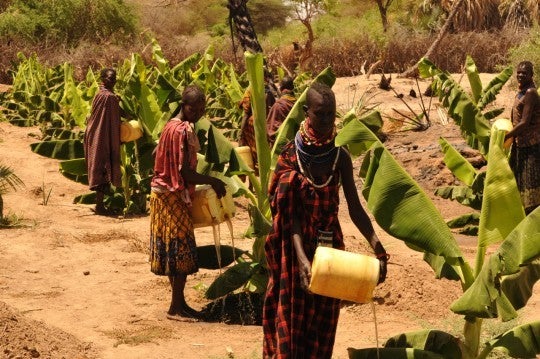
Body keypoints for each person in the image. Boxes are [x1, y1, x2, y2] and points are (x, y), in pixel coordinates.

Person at [262, 82, 389, 358]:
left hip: (331, 249)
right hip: (295, 250)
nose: (327, 121)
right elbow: (290, 216)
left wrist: (377, 244)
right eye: (320, 114)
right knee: (292, 320)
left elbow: (355, 208)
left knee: (323, 323)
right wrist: (302, 259)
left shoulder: (339, 156)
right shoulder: (290, 157)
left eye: (331, 114)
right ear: (307, 112)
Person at [149, 84, 226, 321]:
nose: (199, 114)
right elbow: (185, 172)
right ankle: (175, 308)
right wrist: (213, 180)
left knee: (173, 251)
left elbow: (155, 154)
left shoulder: (170, 125)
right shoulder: (182, 131)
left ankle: (180, 303)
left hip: (161, 194)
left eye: (202, 109)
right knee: (182, 251)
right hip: (172, 195)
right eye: (195, 109)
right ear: (185, 106)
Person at [84, 68, 123, 215]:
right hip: (101, 135)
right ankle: (100, 207)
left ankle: (100, 205)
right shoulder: (109, 97)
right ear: (102, 79)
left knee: (99, 166)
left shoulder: (101, 93)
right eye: (109, 78)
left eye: (114, 78)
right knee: (102, 166)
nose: (112, 81)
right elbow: (118, 114)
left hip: (96, 133)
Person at [505, 61, 540, 215]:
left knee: (531, 184)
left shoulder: (531, 93)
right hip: (519, 143)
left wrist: (505, 136)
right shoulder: (520, 91)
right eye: (518, 72)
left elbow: (524, 122)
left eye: (524, 73)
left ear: (531, 75)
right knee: (519, 181)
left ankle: (532, 219)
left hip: (531, 145)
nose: (520, 75)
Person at [238, 70, 277, 172]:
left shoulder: (250, 90)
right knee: (263, 149)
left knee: (252, 151)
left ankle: (253, 178)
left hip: (252, 126)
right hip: (266, 123)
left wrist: (241, 132)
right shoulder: (268, 89)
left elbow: (246, 113)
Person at [266, 76, 296, 148]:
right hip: (295, 141)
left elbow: (272, 127)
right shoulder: (297, 102)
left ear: (281, 88)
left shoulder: (278, 105)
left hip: (282, 143)